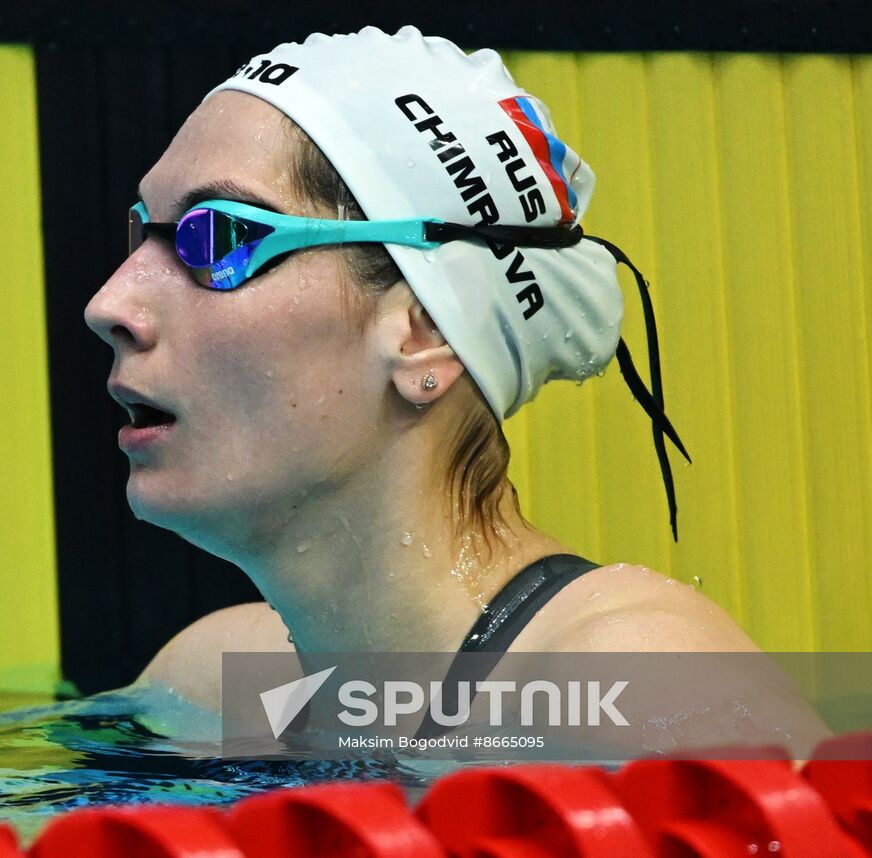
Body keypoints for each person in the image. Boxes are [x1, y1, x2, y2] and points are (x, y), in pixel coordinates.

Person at [83, 27, 821, 751]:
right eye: (142, 233)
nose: (110, 304)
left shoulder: (641, 689)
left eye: (216, 238)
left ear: (424, 331)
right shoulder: (212, 687)